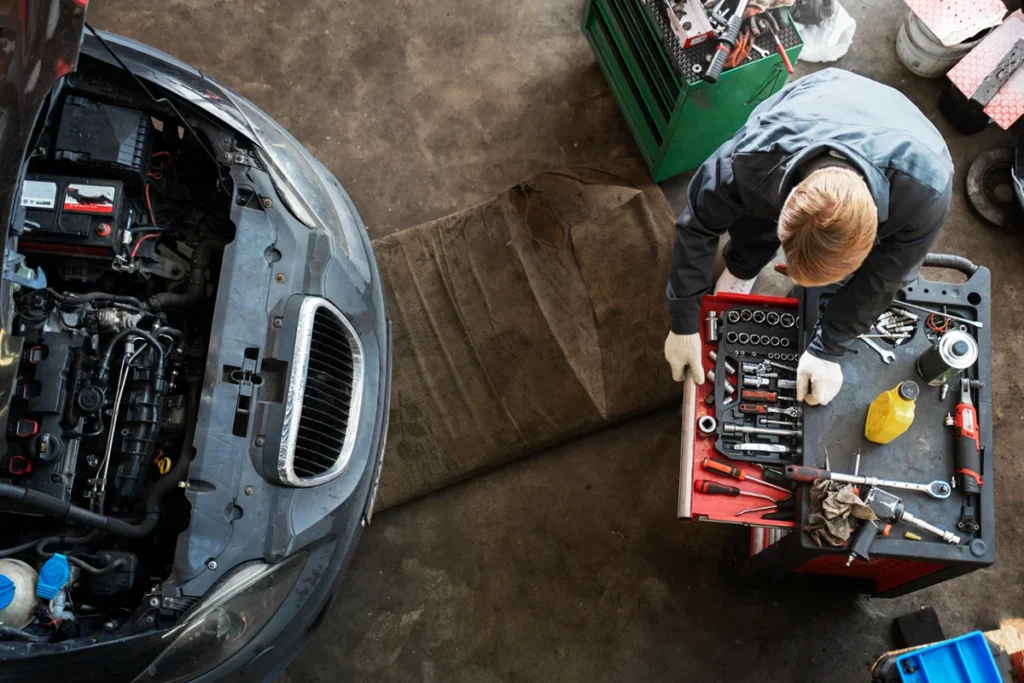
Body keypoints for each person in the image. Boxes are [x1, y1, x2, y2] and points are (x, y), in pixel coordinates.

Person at [663, 68, 953, 406]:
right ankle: (743, 266)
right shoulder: (751, 158)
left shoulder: (926, 196)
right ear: (785, 206)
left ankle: (753, 264)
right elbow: (698, 225)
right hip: (823, 96)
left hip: (907, 136)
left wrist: (829, 348)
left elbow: (882, 279)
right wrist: (683, 320)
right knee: (752, 222)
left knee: (891, 276)